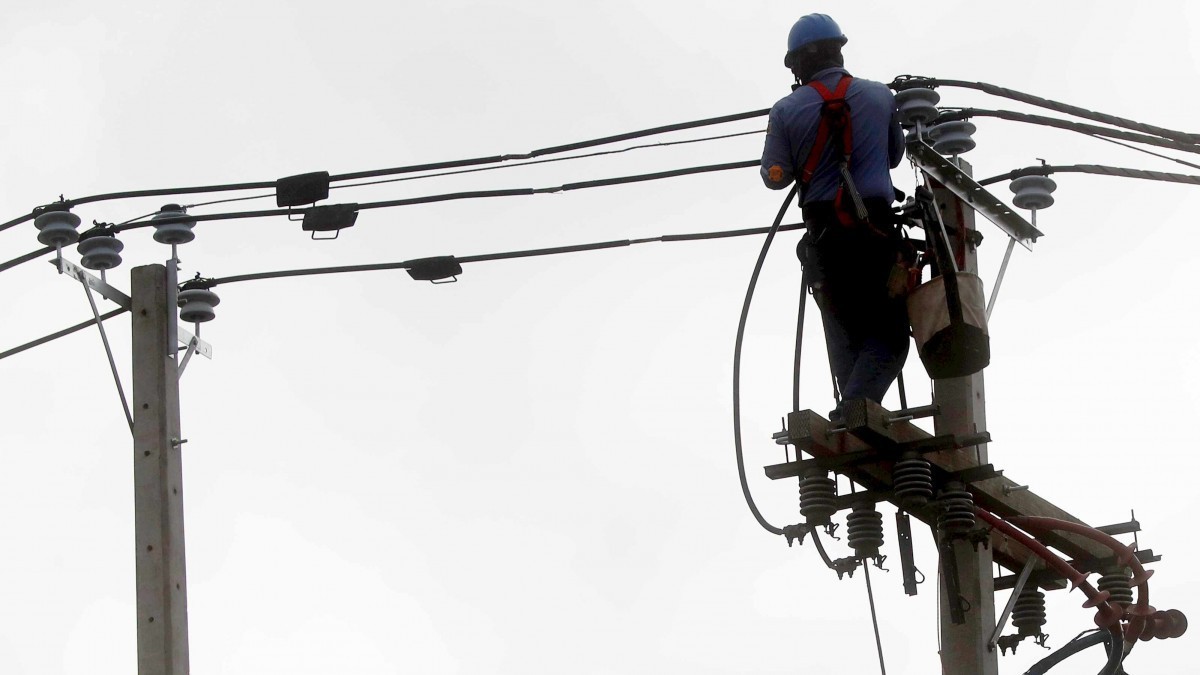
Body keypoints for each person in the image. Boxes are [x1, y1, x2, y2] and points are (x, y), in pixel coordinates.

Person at [760, 13, 909, 412]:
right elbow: (895, 157)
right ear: (838, 50)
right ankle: (856, 408)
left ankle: (853, 407)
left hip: (826, 240)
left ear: (798, 64)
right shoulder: (881, 97)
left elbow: (775, 177)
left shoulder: (785, 110)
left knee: (844, 334)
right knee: (890, 335)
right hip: (875, 232)